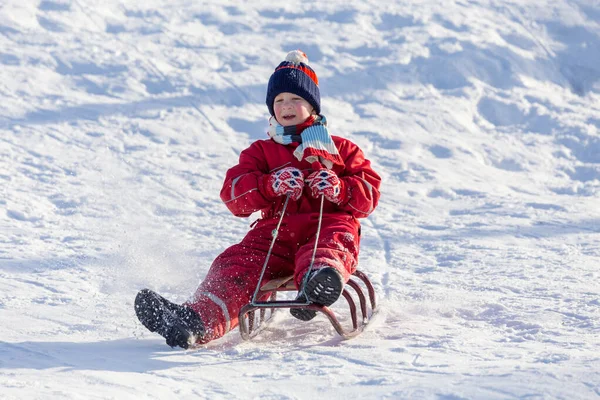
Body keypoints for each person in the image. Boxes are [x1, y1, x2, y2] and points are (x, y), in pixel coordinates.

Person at [134, 50, 381, 349]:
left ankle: (317, 283)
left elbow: (369, 193)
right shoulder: (262, 152)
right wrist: (268, 184)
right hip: (276, 231)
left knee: (330, 245)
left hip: (326, 225)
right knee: (237, 263)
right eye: (279, 101)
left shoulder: (341, 149)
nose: (287, 106)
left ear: (312, 106)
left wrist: (341, 188)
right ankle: (194, 320)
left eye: (295, 100)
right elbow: (234, 193)